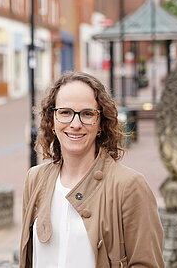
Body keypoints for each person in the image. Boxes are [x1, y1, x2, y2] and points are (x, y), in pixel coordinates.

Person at [19, 71, 164, 268]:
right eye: (65, 112)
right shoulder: (35, 179)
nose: (75, 124)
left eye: (87, 114)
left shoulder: (128, 186)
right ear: (52, 120)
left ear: (101, 124)